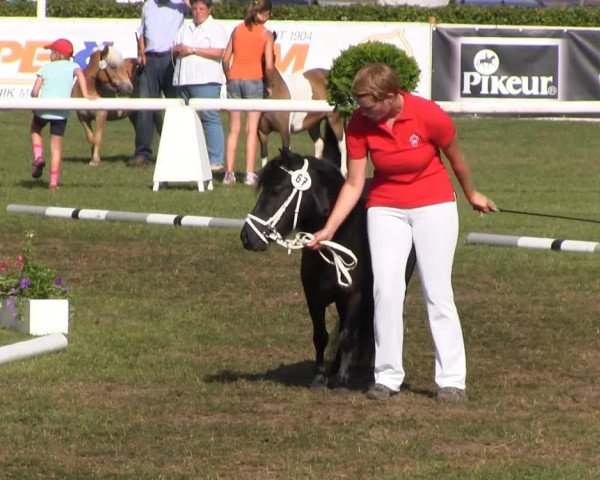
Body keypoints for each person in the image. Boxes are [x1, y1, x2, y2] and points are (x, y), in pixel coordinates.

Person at [306, 63, 498, 402]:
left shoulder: (429, 115)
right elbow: (353, 183)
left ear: (391, 97)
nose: (362, 111)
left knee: (437, 292)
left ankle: (452, 380)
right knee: (385, 290)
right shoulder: (360, 126)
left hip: (434, 204)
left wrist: (472, 194)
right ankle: (387, 377)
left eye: (368, 104)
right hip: (385, 207)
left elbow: (456, 159)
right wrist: (328, 229)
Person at [128, 0, 191, 167]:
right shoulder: (148, 5)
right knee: (145, 107)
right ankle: (142, 153)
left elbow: (200, 9)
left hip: (170, 58)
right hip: (149, 59)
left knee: (175, 108)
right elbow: (141, 31)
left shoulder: (180, 5)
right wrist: (141, 50)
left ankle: (176, 152)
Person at [221, 0, 274, 186]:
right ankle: (249, 173)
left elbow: (226, 59)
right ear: (265, 13)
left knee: (233, 129)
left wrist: (230, 77)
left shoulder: (237, 29)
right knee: (252, 130)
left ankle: (229, 173)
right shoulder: (266, 34)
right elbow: (269, 66)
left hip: (235, 78)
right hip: (254, 80)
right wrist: (270, 84)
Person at [30, 38, 94, 190]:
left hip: (44, 109)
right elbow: (80, 75)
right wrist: (85, 94)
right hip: (61, 112)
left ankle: (38, 157)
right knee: (56, 148)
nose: (50, 54)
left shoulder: (45, 68)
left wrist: (34, 101)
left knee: (35, 128)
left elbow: (35, 91)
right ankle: (53, 183)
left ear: (57, 54)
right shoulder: (74, 66)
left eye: (52, 51)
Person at [172, 0, 228, 172]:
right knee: (186, 120)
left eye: (201, 9)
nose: (197, 12)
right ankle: (190, 157)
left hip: (206, 80)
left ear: (209, 10)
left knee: (210, 118)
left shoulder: (215, 28)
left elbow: (220, 51)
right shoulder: (185, 28)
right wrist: (176, 49)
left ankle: (216, 160)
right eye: (195, 9)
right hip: (183, 80)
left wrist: (193, 50)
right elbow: (174, 47)